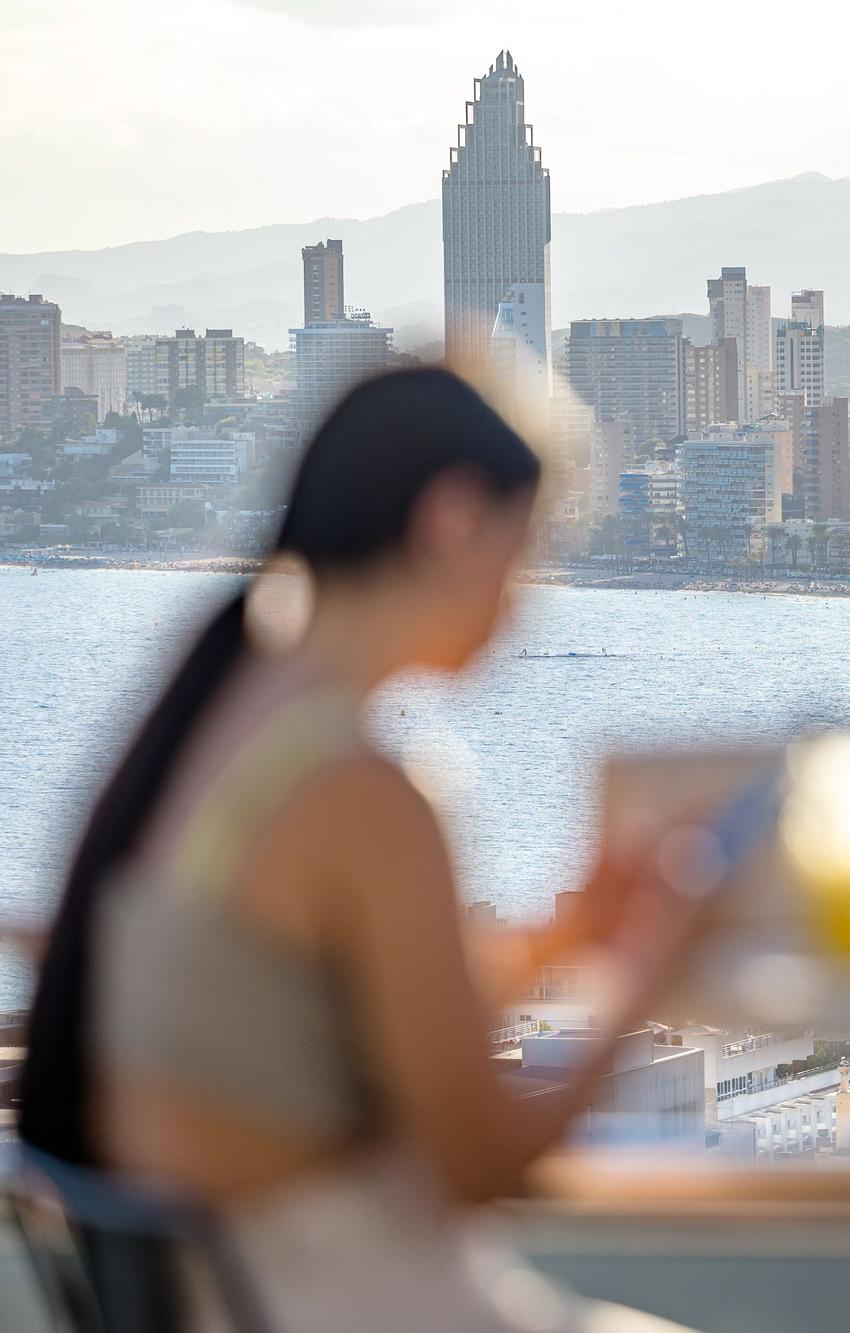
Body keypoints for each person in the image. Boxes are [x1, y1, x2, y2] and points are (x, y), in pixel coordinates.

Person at [19, 369, 700, 1331]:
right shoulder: (360, 788)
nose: (525, 603)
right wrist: (662, 962)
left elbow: (328, 1031)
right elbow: (483, 1163)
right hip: (344, 1295)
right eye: (527, 552)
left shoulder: (235, 712)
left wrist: (568, 936)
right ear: (456, 521)